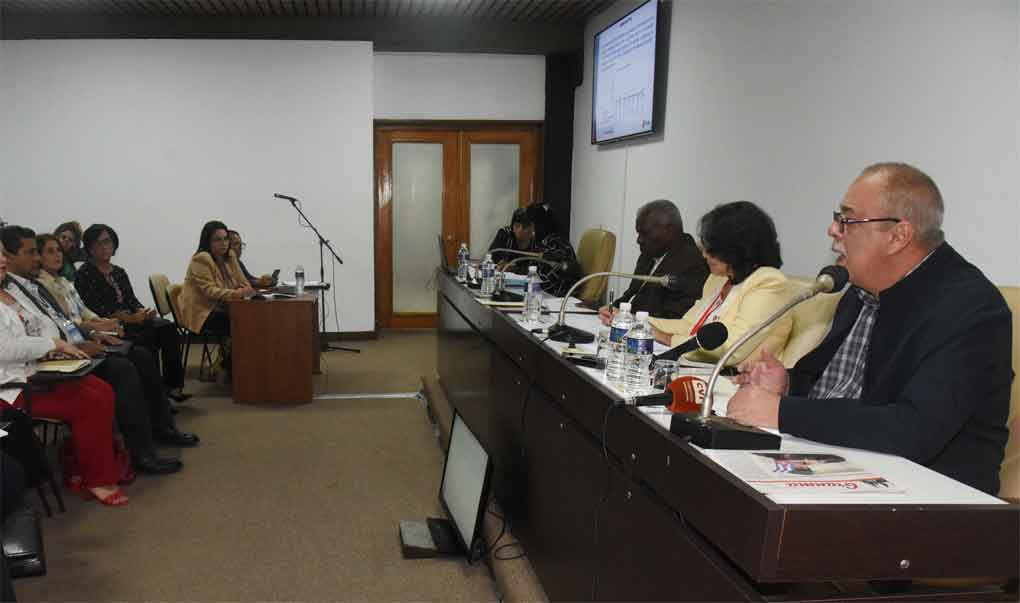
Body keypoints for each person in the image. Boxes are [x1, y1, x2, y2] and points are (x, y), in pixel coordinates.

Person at [728, 163, 1012, 495]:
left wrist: (782, 412)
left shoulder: (971, 308)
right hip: (839, 464)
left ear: (898, 236)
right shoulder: (860, 290)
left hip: (928, 497)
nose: (832, 230)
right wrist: (788, 385)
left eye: (847, 220)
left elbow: (913, 429)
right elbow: (835, 389)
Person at [3, 227, 194, 475]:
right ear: (10, 256)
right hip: (43, 363)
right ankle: (142, 453)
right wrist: (74, 342)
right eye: (31, 253)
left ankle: (161, 429)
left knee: (140, 355)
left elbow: (62, 321)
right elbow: (33, 335)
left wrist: (91, 334)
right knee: (123, 368)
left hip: (70, 346)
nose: (38, 258)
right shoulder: (15, 289)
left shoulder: (30, 285)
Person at [0, 250, 129, 506]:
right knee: (89, 402)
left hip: (29, 373)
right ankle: (97, 479)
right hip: (9, 390)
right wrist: (53, 344)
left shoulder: (8, 293)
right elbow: (5, 349)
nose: (3, 260)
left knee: (101, 390)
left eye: (2, 254)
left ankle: (79, 465)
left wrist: (55, 347)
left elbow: (32, 332)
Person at [647, 201, 792, 366]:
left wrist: (668, 339)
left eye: (711, 249)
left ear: (737, 250)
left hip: (731, 376)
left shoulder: (768, 283)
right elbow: (689, 325)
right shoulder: (719, 279)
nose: (704, 255)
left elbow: (733, 350)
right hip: (697, 367)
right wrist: (640, 323)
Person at [74, 223, 189, 401]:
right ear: (89, 248)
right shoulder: (85, 274)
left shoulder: (119, 272)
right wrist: (130, 318)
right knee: (147, 337)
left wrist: (143, 311)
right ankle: (155, 396)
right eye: (98, 243)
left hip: (132, 318)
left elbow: (131, 300)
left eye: (107, 242)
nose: (104, 247)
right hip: (110, 324)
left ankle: (173, 387)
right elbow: (95, 309)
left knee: (168, 328)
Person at [598, 200, 709, 325]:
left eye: (645, 233)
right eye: (638, 233)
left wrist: (629, 319)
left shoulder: (693, 262)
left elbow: (675, 318)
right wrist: (611, 309)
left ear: (670, 230)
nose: (639, 240)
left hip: (654, 334)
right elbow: (631, 296)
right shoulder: (649, 254)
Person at [177, 220, 253, 337]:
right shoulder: (201, 258)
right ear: (208, 242)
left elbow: (243, 282)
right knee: (243, 319)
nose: (224, 243)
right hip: (202, 312)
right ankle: (234, 349)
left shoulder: (229, 256)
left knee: (252, 315)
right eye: (218, 240)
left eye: (226, 239)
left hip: (222, 307)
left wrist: (243, 289)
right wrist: (236, 293)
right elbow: (210, 291)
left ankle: (237, 348)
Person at [487, 206, 582, 296]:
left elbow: (541, 276)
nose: (529, 230)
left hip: (560, 298)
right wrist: (513, 269)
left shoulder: (556, 245)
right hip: (546, 295)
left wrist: (515, 270)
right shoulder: (544, 242)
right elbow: (534, 269)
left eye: (530, 225)